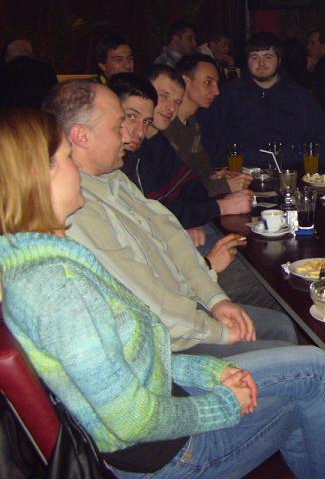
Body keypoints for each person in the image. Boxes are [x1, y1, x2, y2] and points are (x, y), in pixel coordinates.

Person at [0, 108, 325, 479]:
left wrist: (213, 372)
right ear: (36, 179)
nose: (76, 169)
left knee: (302, 381)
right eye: (66, 159)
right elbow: (132, 421)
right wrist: (223, 405)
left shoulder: (46, 260)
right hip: (165, 457)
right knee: (314, 371)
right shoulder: (56, 288)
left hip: (165, 401)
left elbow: (141, 359)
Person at [43, 80, 295, 355]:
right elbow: (146, 298)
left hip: (184, 309)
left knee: (280, 326)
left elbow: (171, 232)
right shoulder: (76, 207)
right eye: (119, 125)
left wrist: (215, 299)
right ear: (81, 136)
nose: (129, 135)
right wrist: (218, 329)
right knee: (306, 359)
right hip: (164, 344)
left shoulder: (115, 177)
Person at [199, 31, 325, 170]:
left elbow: (323, 136)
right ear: (247, 60)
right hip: (237, 173)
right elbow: (205, 133)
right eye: (254, 57)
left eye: (268, 57)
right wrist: (221, 162)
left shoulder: (300, 96)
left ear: (279, 60)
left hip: (287, 173)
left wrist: (298, 160)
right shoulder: (227, 94)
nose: (261, 63)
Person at [165, 53, 253, 197]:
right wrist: (223, 185)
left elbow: (202, 170)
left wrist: (217, 176)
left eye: (217, 83)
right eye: (208, 82)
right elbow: (174, 190)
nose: (216, 91)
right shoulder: (166, 125)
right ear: (185, 81)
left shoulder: (193, 122)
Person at [0, 37, 57, 109]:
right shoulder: (46, 69)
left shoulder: (4, 71)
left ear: (7, 58)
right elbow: (54, 94)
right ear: (32, 54)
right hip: (40, 114)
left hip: (10, 114)